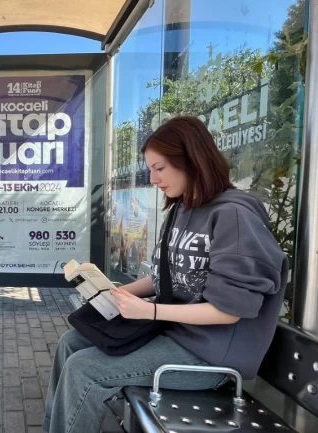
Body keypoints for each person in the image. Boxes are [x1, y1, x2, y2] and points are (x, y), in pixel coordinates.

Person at [43, 116, 289, 433]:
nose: (153, 178)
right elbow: (166, 277)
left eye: (159, 168)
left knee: (84, 369)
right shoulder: (182, 210)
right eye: (150, 169)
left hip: (210, 357)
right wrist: (117, 293)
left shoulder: (234, 215)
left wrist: (150, 311)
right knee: (71, 342)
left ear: (192, 160)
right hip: (173, 335)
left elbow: (229, 311)